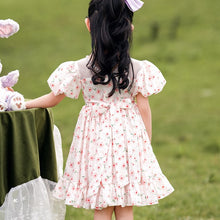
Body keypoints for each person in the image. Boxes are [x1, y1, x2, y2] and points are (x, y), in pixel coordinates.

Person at [25, 0, 174, 219]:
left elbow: (52, 99)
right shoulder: (140, 69)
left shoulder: (78, 69)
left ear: (88, 25)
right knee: (125, 206)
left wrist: (21, 103)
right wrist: (145, 149)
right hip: (128, 144)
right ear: (129, 28)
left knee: (101, 206)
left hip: (95, 143)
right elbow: (144, 109)